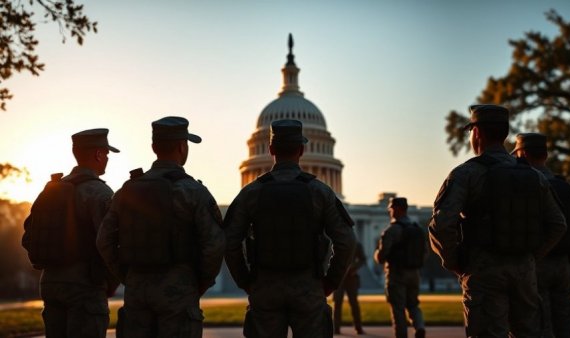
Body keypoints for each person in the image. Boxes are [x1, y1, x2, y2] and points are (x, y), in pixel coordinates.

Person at [428, 104, 567, 337]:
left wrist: (454, 262)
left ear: (477, 132)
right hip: (524, 271)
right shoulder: (534, 176)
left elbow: (442, 224)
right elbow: (558, 224)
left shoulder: (466, 173)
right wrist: (531, 256)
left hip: (483, 269)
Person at [224, 119, 357, 338]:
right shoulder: (319, 191)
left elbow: (229, 241)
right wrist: (330, 282)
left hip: (265, 286)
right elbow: (346, 241)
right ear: (302, 149)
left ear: (271, 149)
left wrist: (246, 281)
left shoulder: (252, 192)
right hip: (308, 287)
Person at [97, 116, 225, 337]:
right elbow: (214, 244)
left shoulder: (127, 190)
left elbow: (104, 240)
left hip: (138, 289)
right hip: (179, 288)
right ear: (181, 147)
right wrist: (200, 282)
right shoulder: (193, 191)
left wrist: (127, 276)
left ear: (154, 147)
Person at [22, 128, 120, 338]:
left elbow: (28, 236)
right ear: (98, 154)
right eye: (106, 154)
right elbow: (110, 241)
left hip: (50, 282)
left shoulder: (51, 188)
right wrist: (112, 281)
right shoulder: (99, 192)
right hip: (84, 286)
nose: (107, 159)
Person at [512, 132, 570, 337]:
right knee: (565, 327)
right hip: (562, 266)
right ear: (545, 155)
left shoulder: (521, 187)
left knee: (541, 327)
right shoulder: (567, 188)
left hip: (533, 265)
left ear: (521, 154)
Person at [374, 197, 426, 338]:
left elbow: (382, 255)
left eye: (391, 208)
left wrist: (377, 255)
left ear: (397, 209)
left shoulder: (392, 230)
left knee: (398, 309)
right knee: (413, 304)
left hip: (396, 274)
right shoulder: (417, 229)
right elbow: (424, 252)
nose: (389, 211)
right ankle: (419, 326)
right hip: (414, 273)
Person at [333, 241, 367, 335]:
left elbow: (363, 259)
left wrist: (354, 267)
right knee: (337, 303)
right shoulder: (336, 242)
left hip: (351, 276)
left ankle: (358, 327)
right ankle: (336, 328)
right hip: (339, 277)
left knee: (354, 303)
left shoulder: (356, 244)